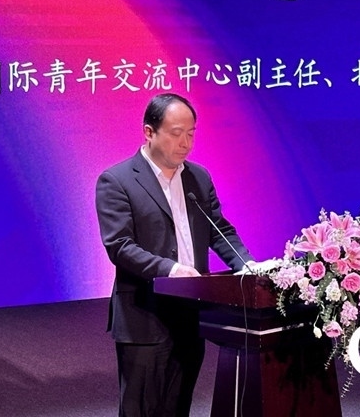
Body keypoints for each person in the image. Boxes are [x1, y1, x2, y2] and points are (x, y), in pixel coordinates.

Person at [96, 93, 254, 417]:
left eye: (191, 133)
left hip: (190, 314)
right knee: (142, 409)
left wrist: (246, 264)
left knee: (178, 406)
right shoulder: (117, 180)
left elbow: (218, 229)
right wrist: (170, 270)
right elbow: (120, 246)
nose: (185, 143)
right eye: (176, 133)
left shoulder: (199, 177)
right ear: (149, 132)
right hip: (145, 315)